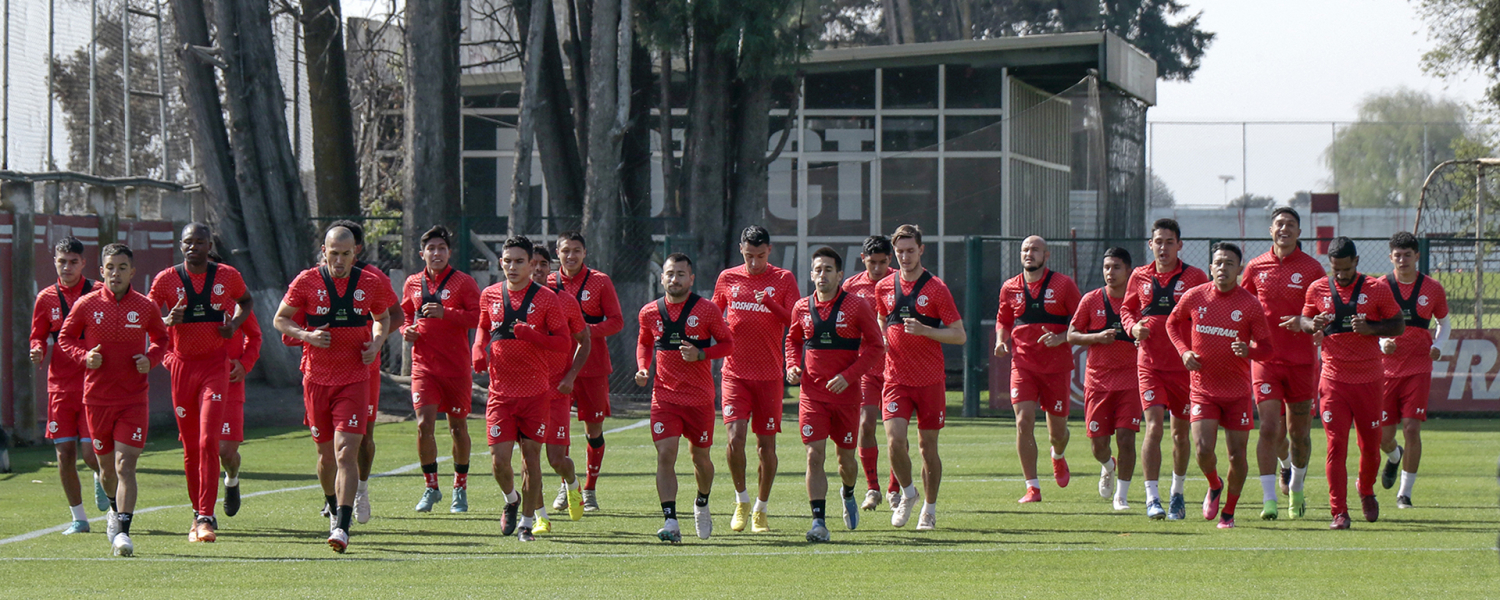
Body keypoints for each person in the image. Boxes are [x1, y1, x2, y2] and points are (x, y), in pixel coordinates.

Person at [273, 226, 396, 552]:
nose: (339, 260)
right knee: (326, 458)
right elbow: (280, 320)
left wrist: (377, 341)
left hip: (355, 378)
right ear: (323, 251)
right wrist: (307, 336)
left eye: (345, 254)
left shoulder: (369, 282)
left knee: (346, 452)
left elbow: (382, 318)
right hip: (316, 379)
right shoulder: (306, 281)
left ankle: (342, 526)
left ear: (355, 253)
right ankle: (331, 501)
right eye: (333, 253)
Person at [58, 243, 170, 557]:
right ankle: (112, 508)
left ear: (132, 272)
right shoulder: (87, 304)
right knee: (106, 470)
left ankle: (123, 532)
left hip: (134, 399)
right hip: (97, 399)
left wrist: (152, 358)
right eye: (110, 267)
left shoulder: (145, 306)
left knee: (125, 466)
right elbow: (65, 338)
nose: (115, 273)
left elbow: (162, 338)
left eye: (122, 267)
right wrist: (84, 356)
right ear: (102, 270)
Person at [1286, 236, 1404, 529]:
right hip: (1333, 381)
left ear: (1356, 262)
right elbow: (1303, 319)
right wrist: (1310, 325)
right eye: (1335, 269)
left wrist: (1372, 328)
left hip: (1370, 381)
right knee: (1335, 445)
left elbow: (1398, 324)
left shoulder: (1376, 288)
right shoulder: (1318, 288)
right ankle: (1338, 511)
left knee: (1370, 447)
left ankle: (1365, 489)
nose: (1339, 275)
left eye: (1345, 269)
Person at [147, 223, 254, 542]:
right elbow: (149, 315)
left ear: (210, 246)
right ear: (180, 246)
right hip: (182, 368)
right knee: (192, 446)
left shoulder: (227, 275)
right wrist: (166, 321)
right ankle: (197, 514)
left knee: (209, 441)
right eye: (188, 242)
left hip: (214, 367)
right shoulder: (166, 279)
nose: (194, 247)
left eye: (200, 242)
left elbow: (246, 301)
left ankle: (206, 516)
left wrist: (234, 324)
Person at [1166, 242, 1273, 529]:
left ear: (1239, 268)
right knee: (1202, 449)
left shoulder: (1249, 304)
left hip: (1237, 393)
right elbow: (1172, 324)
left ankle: (1228, 512)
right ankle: (1214, 484)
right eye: (1218, 262)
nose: (1222, 267)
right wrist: (1184, 352)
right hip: (1203, 388)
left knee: (1237, 456)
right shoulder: (1195, 296)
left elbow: (1266, 349)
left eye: (1229, 263)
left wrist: (1249, 351)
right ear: (1210, 267)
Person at [472, 236, 571, 542]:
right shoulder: (490, 295)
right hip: (501, 394)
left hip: (536, 394)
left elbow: (563, 343)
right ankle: (512, 499)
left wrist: (533, 336)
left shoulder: (546, 299)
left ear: (531, 265)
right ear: (500, 262)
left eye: (519, 261)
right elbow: (483, 326)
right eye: (507, 261)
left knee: (532, 461)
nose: (512, 267)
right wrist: (477, 348)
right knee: (499, 461)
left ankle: (527, 523)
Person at [785, 247, 884, 542]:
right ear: (811, 274)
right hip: (812, 397)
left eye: (828, 269)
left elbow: (876, 347)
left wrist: (849, 376)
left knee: (845, 461)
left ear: (840, 275)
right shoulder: (802, 307)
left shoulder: (856, 306)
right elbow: (792, 340)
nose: (822, 275)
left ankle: (849, 491)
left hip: (847, 397)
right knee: (814, 456)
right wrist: (792, 365)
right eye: (818, 270)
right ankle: (818, 522)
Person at [635, 253, 735, 543]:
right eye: (669, 273)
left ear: (691, 279)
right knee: (666, 455)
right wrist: (643, 367)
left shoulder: (706, 310)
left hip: (700, 399)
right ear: (661, 277)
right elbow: (643, 342)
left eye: (680, 274)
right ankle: (670, 520)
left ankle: (702, 502)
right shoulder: (649, 312)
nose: (674, 279)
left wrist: (702, 354)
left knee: (700, 458)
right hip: (664, 398)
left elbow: (728, 343)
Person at [875, 224, 966, 530]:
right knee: (894, 441)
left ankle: (929, 507)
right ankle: (908, 493)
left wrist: (926, 331)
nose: (905, 257)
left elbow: (959, 335)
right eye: (899, 252)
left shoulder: (936, 288)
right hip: (895, 378)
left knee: (928, 448)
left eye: (910, 251)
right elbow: (881, 316)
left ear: (921, 250)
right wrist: (882, 336)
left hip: (929, 380)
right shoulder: (884, 286)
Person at [1120, 218, 1209, 520]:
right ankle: (1151, 497)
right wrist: (1133, 329)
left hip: (1184, 368)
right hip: (1150, 365)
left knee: (1180, 435)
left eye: (1169, 242)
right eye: (1158, 241)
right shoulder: (1139, 276)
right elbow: (1127, 309)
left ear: (1179, 245)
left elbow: (1205, 314)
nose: (1163, 247)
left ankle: (1177, 494)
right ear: (1150, 244)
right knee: (1154, 427)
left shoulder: (1195, 276)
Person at [712, 225, 800, 532]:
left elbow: (798, 321)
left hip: (769, 377)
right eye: (749, 256)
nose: (754, 263)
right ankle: (741, 500)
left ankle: (761, 508)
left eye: (760, 256)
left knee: (766, 447)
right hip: (735, 373)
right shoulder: (728, 278)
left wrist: (771, 304)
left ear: (770, 251)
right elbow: (713, 317)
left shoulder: (783, 279)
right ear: (741, 250)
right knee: (735, 439)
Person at [1240, 206, 1326, 519]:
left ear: (1299, 232)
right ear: (1271, 230)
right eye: (1279, 224)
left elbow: (1324, 313)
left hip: (1302, 362)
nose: (1284, 229)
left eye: (1290, 224)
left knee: (1300, 435)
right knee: (1270, 430)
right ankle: (1270, 499)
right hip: (1265, 360)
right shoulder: (1255, 266)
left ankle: (1298, 486)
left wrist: (1306, 321)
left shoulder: (1313, 269)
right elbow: (1241, 305)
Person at [399, 225, 480, 514]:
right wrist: (405, 329)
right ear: (422, 254)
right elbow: (405, 312)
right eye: (431, 249)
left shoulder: (464, 282)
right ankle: (431, 486)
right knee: (424, 425)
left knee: (458, 427)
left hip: (456, 368)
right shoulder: (412, 282)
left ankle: (460, 487)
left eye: (442, 248)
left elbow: (477, 318)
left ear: (449, 253)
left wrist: (447, 313)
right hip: (424, 367)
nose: (436, 253)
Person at [29, 236, 108, 535]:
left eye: (73, 261)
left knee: (91, 455)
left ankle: (102, 479)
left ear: (84, 263)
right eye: (62, 261)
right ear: (55, 262)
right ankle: (79, 518)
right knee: (64, 454)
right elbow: (37, 334)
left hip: (94, 384)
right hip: (60, 387)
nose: (67, 267)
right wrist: (36, 348)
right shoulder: (46, 298)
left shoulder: (98, 292)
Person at [995, 236, 1081, 504]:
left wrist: (1061, 338)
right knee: (1023, 422)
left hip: (1056, 367)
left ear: (1047, 254)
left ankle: (1057, 456)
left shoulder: (1064, 284)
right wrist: (1001, 340)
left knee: (1057, 433)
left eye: (1034, 249)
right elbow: (1004, 320)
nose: (1028, 253)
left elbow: (1082, 322)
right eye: (1024, 249)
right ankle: (1032, 487)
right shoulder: (1010, 287)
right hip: (1023, 365)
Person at [548, 231, 624, 511]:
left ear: (585, 253)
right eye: (566, 250)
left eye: (576, 250)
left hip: (592, 366)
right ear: (558, 253)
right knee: (560, 430)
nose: (571, 256)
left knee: (594, 429)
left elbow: (617, 321)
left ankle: (590, 489)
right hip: (557, 367)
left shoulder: (600, 281)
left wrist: (586, 332)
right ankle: (567, 486)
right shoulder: (548, 283)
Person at [1377, 232, 1448, 509]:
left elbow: (1444, 322)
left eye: (1408, 254)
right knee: (1383, 437)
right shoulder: (1380, 286)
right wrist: (1384, 342)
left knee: (1411, 428)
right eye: (1398, 255)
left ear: (1417, 256)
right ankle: (1394, 457)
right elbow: (1371, 325)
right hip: (1385, 370)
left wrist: (1439, 345)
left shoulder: (1432, 288)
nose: (1403, 259)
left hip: (1418, 368)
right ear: (1391, 256)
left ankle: (1404, 493)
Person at [1067, 247, 1141, 511]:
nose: (1111, 272)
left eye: (1117, 267)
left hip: (1131, 380)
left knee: (1126, 437)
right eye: (1107, 267)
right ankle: (1108, 465)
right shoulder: (1091, 299)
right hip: (1098, 381)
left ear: (1129, 270)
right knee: (1099, 444)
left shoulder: (1138, 301)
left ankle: (1122, 495)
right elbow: (1072, 334)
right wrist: (1096, 337)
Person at [530, 245, 590, 532]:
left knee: (556, 459)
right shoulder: (509, 300)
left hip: (556, 393)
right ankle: (540, 516)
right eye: (533, 263)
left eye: (544, 264)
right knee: (529, 458)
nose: (538, 269)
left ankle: (572, 481)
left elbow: (585, 340)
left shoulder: (564, 301)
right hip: (525, 393)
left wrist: (571, 376)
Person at [841, 235, 896, 511]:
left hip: (896, 368)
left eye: (883, 262)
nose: (877, 268)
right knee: (865, 424)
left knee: (894, 430)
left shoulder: (900, 281)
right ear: (863, 259)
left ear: (891, 259)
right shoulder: (851, 286)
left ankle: (895, 487)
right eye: (872, 262)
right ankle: (872, 488)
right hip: (865, 367)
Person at [219, 308, 262, 518]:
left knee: (226, 452)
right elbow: (168, 339)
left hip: (229, 384)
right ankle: (203, 515)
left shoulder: (235, 298)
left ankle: (232, 478)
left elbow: (254, 336)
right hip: (195, 384)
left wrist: (244, 365)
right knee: (202, 451)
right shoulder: (186, 295)